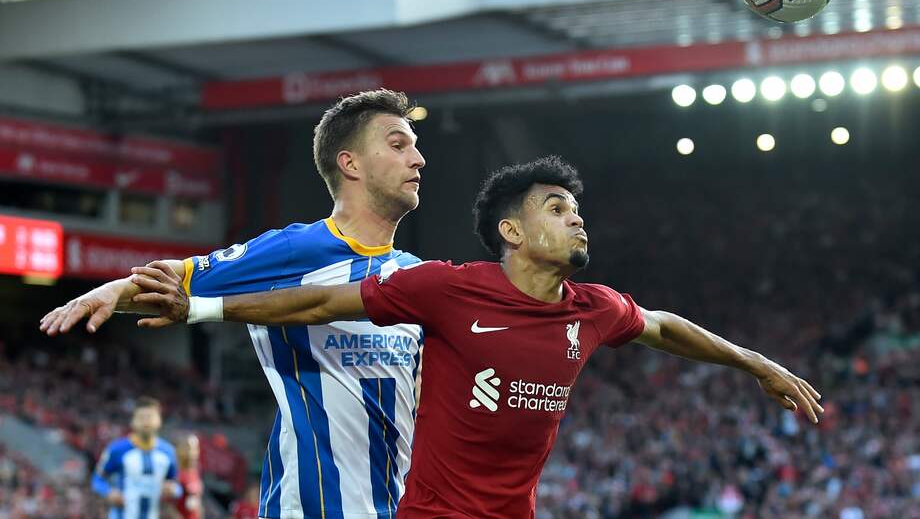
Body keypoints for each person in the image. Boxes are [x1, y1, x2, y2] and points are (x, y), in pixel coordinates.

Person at [123, 156, 822, 518]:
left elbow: (664, 326)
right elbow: (317, 302)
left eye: (577, 209)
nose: (577, 219)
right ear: (513, 232)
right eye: (558, 208)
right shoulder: (450, 289)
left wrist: (755, 363)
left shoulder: (592, 308)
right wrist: (203, 309)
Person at [41, 89, 427, 518]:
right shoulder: (294, 251)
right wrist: (112, 292)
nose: (418, 159)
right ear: (350, 163)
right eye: (398, 144)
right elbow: (178, 281)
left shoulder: (418, 277)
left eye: (414, 145)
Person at [92, 396, 182, 519]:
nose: (146, 422)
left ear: (159, 420)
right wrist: (108, 493)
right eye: (141, 418)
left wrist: (174, 490)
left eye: (150, 417)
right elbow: (97, 480)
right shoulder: (117, 449)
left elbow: (178, 485)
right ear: (133, 421)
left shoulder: (168, 452)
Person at [173, 434, 203, 519]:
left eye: (196, 448)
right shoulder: (174, 472)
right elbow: (166, 505)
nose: (193, 452)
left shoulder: (195, 470)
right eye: (189, 448)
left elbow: (198, 501)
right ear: (180, 449)